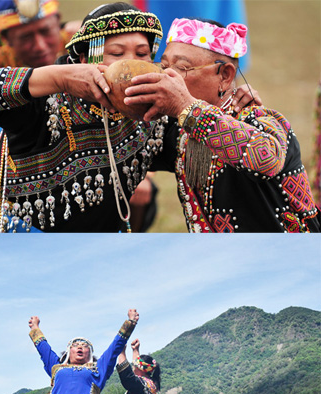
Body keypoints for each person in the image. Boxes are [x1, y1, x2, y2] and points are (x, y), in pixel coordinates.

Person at [0, 2, 166, 233]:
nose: (130, 63)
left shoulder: (156, 108)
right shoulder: (47, 98)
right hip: (21, 243)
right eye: (116, 54)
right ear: (84, 59)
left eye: (142, 54)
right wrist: (59, 79)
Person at [123, 16, 320, 232]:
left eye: (182, 67)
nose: (169, 76)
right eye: (165, 66)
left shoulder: (264, 121)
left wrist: (185, 107)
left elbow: (266, 157)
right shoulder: (178, 131)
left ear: (225, 76)